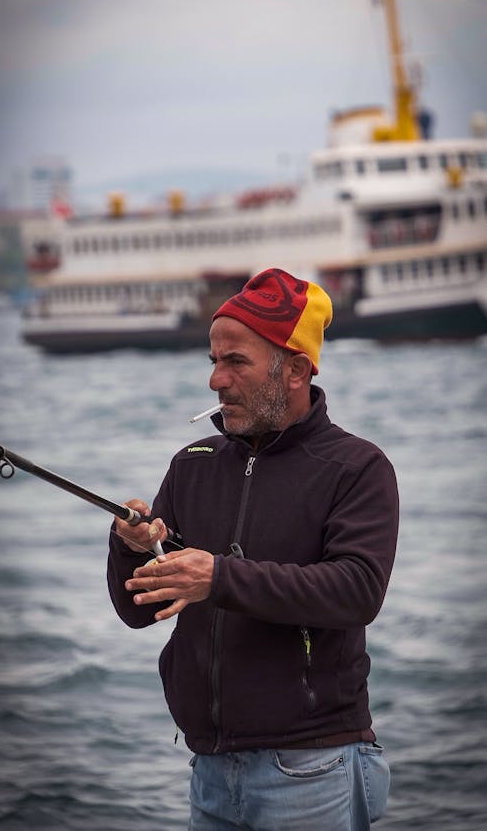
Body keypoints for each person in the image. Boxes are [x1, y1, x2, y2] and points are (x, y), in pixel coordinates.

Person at [107, 267, 399, 831]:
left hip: (313, 769)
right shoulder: (191, 463)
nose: (216, 380)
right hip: (209, 770)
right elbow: (136, 612)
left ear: (295, 369)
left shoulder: (358, 467)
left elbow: (357, 592)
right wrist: (133, 547)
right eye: (213, 362)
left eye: (235, 362)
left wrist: (218, 577)